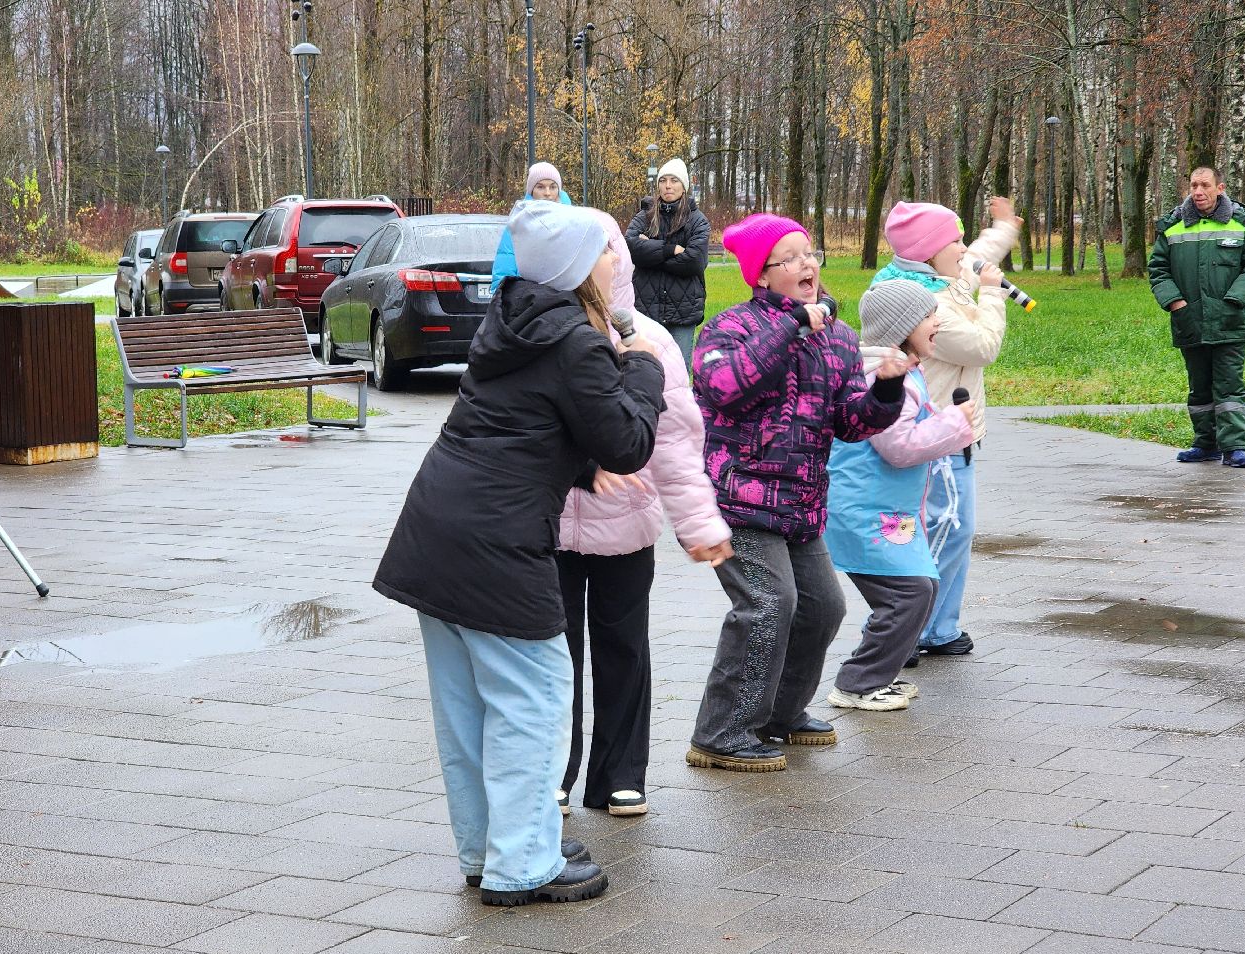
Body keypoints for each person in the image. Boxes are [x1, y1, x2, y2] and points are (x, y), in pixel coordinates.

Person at [373, 200, 665, 906]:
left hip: (435, 532)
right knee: (534, 698)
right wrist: (646, 372)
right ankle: (524, 862)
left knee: (468, 706)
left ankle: (489, 847)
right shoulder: (577, 341)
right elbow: (628, 441)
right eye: (603, 249)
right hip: (495, 544)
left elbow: (520, 423)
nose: (613, 258)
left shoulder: (512, 318)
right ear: (576, 268)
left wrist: (576, 465)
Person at [686, 213, 907, 772]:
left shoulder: (839, 338)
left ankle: (779, 715)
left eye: (811, 254)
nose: (808, 265)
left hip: (800, 504)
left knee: (823, 608)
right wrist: (791, 328)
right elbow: (724, 385)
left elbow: (852, 423)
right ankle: (721, 733)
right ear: (761, 275)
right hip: (737, 498)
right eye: (792, 258)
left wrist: (887, 388)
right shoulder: (728, 328)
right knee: (768, 604)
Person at [557, 209, 733, 818]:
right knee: (553, 651)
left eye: (608, 254)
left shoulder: (652, 341)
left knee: (623, 647)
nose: (600, 266)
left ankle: (619, 774)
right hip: (547, 525)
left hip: (626, 526)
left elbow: (678, 450)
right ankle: (554, 767)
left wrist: (699, 525)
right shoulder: (547, 331)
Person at [872, 196, 1020, 663]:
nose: (961, 248)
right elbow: (981, 347)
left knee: (955, 530)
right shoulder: (926, 300)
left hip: (954, 433)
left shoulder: (940, 274)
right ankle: (906, 629)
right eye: (951, 240)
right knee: (940, 530)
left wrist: (1002, 228)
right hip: (935, 435)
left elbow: (978, 254)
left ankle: (940, 627)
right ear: (926, 251)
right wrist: (994, 294)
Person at [824, 280, 975, 711]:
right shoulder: (885, 378)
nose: (938, 321)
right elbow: (899, 447)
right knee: (908, 593)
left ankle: (872, 677)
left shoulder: (904, 372)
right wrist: (954, 424)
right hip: (862, 510)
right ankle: (857, 683)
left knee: (918, 587)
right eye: (929, 315)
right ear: (904, 326)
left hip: (888, 511)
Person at [1147, 166, 1245, 468]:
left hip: (1230, 320)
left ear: (1220, 188)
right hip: (1189, 319)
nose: (1198, 192)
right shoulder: (1172, 226)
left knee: (1229, 385)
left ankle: (1236, 446)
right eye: (1193, 186)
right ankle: (1205, 444)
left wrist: (1233, 301)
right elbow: (1158, 269)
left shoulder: (1243, 224)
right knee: (1199, 386)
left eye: (1204, 185)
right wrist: (1175, 303)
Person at [625, 158, 711, 360]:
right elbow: (630, 247)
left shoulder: (697, 220)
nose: (668, 186)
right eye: (663, 180)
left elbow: (695, 261)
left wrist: (650, 255)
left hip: (683, 310)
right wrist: (669, 250)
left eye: (674, 180)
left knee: (679, 372)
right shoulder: (645, 216)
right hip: (646, 308)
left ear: (684, 187)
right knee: (646, 369)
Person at [491, 162, 572, 292]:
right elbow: (506, 261)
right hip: (529, 299)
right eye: (540, 187)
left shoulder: (573, 221)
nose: (547, 193)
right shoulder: (518, 223)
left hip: (566, 298)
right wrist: (502, 295)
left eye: (552, 187)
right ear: (532, 191)